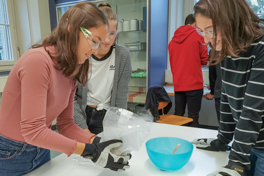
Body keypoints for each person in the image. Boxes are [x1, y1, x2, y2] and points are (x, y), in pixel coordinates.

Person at [0, 2, 131, 175]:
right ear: (72, 29)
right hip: (10, 153)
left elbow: (66, 124)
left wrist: (97, 141)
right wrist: (89, 151)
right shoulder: (38, 61)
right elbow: (32, 130)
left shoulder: (71, 68)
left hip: (42, 147)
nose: (94, 50)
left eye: (98, 44)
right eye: (93, 41)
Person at [192, 0, 264, 175]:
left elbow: (252, 110)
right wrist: (223, 140)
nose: (205, 39)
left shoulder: (260, 48)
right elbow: (226, 97)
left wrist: (237, 162)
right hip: (245, 142)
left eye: (210, 30)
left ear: (231, 21)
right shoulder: (224, 46)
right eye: (201, 31)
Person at [73, 2, 132, 135]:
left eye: (111, 33)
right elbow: (71, 98)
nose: (107, 39)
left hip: (108, 116)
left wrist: (118, 127)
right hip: (82, 115)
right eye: (103, 34)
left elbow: (121, 96)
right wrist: (83, 128)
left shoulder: (122, 55)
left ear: (117, 32)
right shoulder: (82, 53)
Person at [168, 14, 208, 127]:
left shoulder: (172, 42)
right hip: (194, 84)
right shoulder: (199, 37)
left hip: (178, 84)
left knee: (178, 116)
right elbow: (205, 61)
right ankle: (192, 143)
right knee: (193, 117)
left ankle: (177, 143)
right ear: (195, 23)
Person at [204, 50, 222, 123]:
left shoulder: (215, 51)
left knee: (223, 125)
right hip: (236, 93)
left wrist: (212, 92)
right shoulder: (238, 48)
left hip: (220, 92)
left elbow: (212, 74)